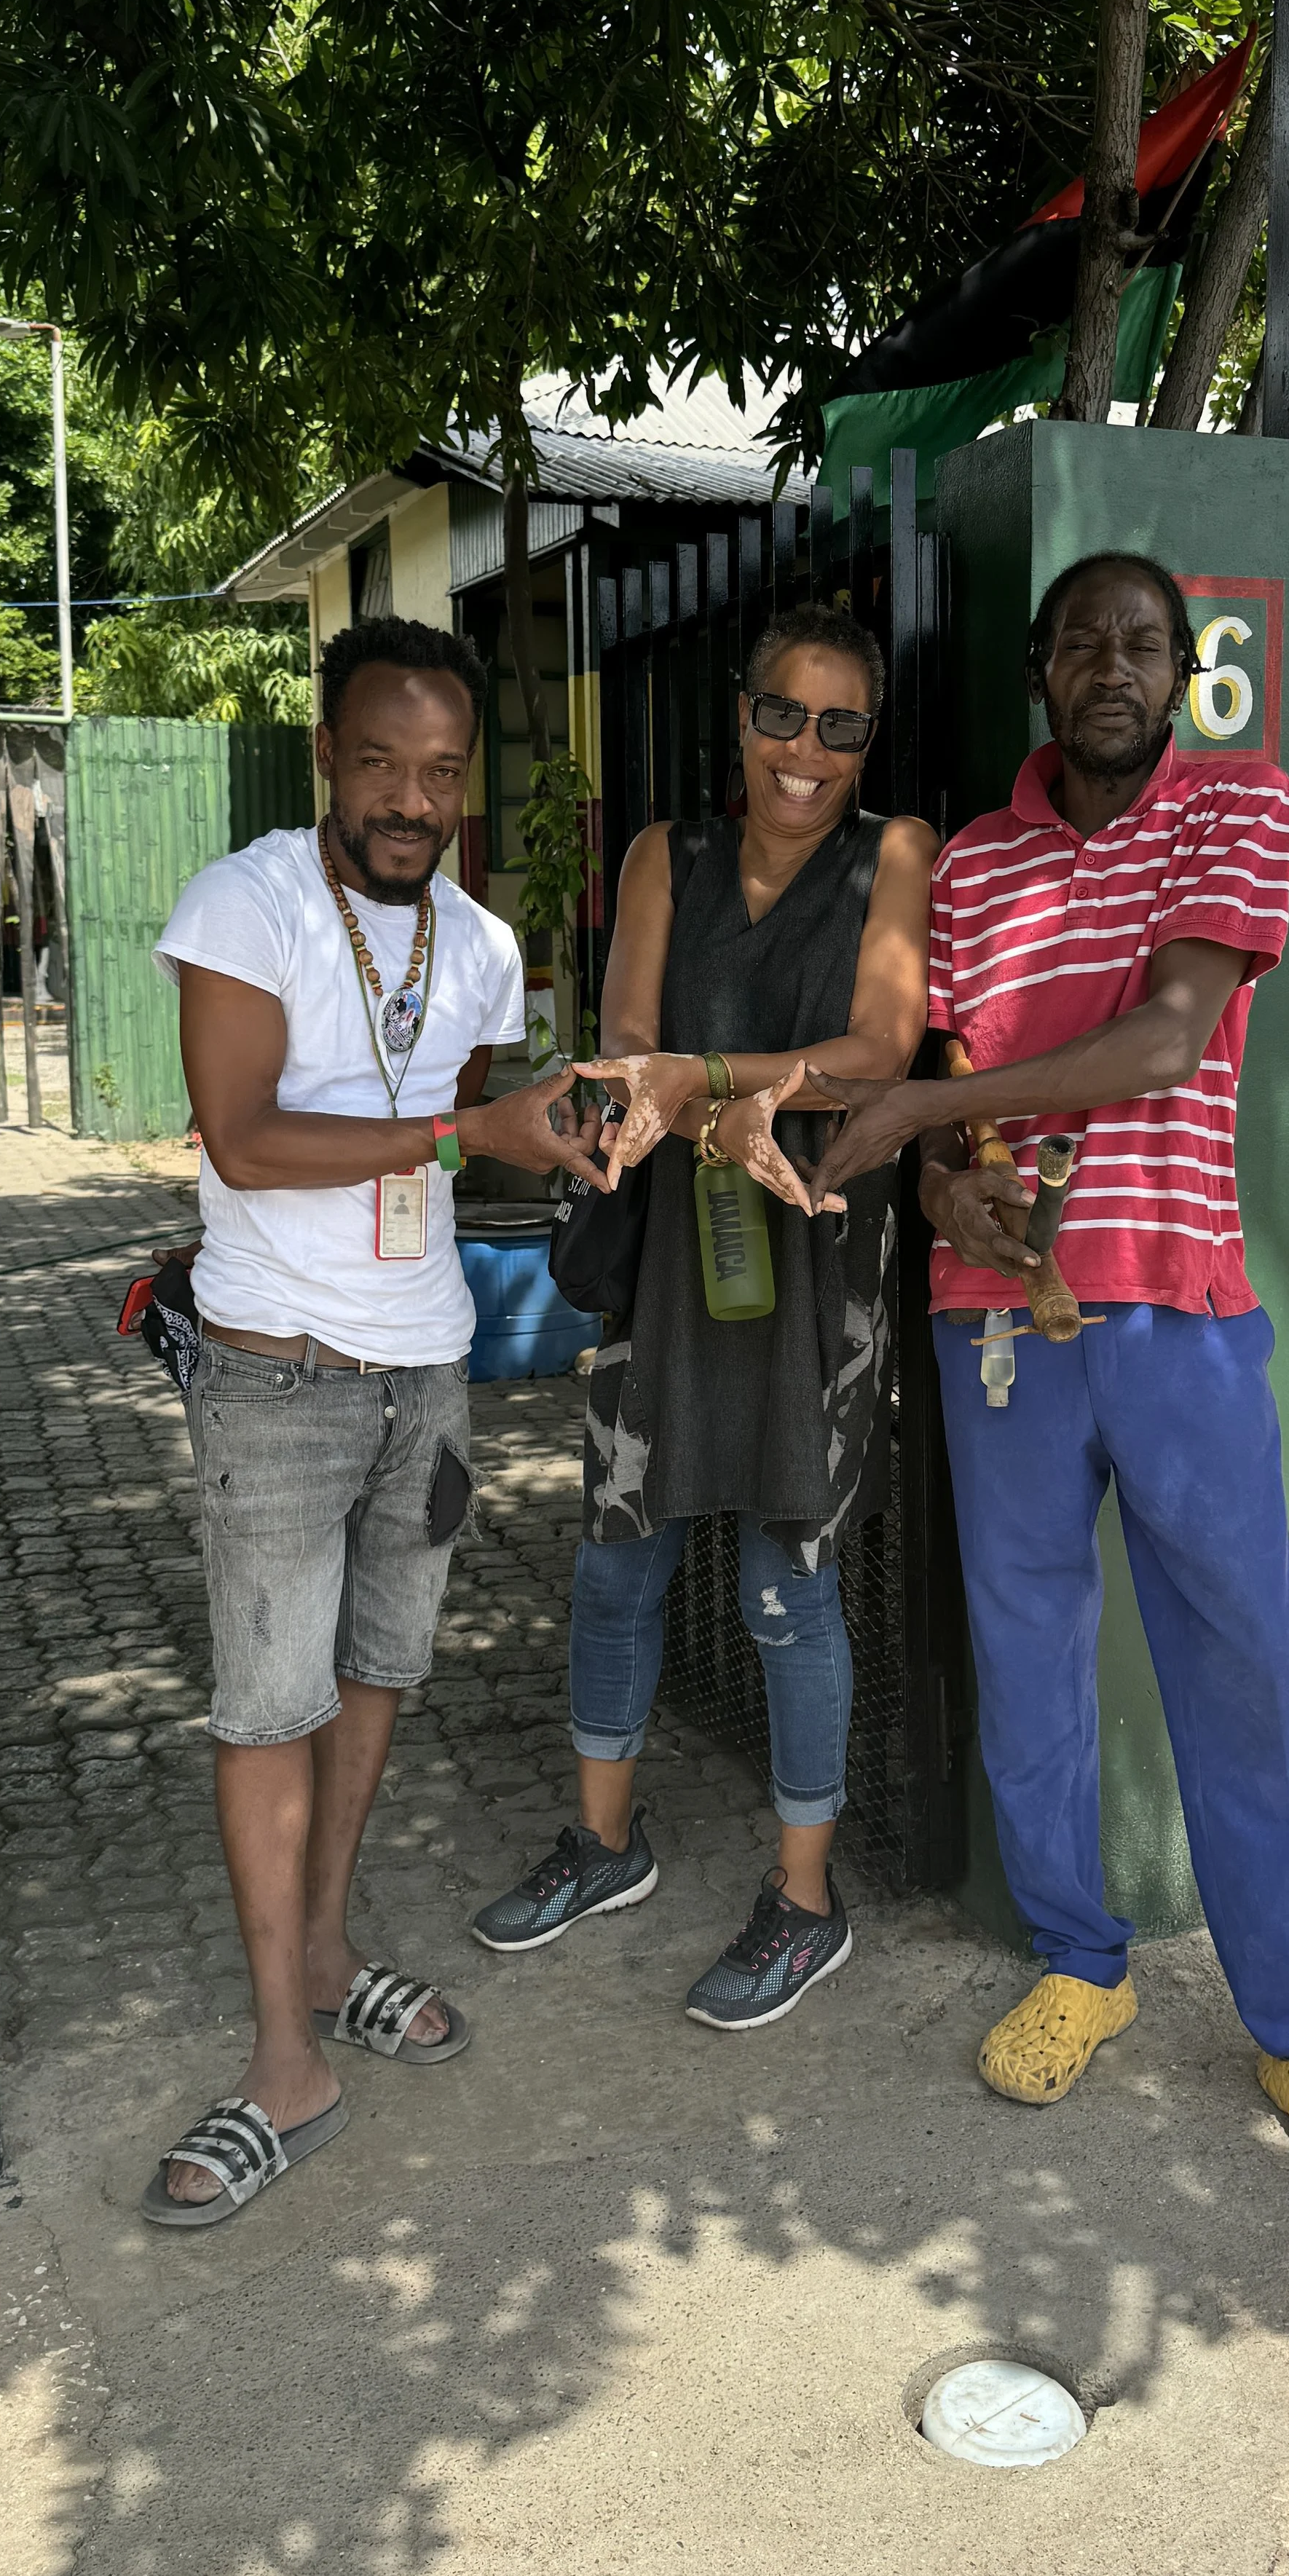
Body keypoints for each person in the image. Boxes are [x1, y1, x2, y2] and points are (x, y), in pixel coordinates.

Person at [808, 553, 1289, 2204]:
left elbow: (1163, 1040)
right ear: (1037, 665)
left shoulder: (1237, 808)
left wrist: (917, 1130)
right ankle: (1080, 1958)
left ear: (1179, 669)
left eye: (1141, 643)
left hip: (1175, 1310)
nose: (1110, 665)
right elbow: (945, 1076)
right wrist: (942, 1183)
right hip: (990, 1318)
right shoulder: (975, 864)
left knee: (1241, 1674)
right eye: (1081, 639)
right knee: (1028, 1663)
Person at [141, 614, 607, 2226]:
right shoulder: (246, 902)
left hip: (429, 1363)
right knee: (264, 1707)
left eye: (442, 770)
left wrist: (539, 1138)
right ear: (328, 758)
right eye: (381, 762)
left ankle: (331, 1950)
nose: (412, 797)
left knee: (371, 1677)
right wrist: (466, 1126)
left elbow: (439, 1140)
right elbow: (250, 1136)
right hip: (274, 1369)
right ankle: (283, 2058)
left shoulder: (475, 943)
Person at [470, 604, 938, 2026]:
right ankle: (602, 1842)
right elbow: (623, 1057)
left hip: (812, 1260)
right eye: (780, 715)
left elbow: (878, 1052)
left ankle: (804, 1898)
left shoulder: (893, 856)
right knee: (618, 1562)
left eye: (839, 723)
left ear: (867, 742)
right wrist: (681, 1091)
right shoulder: (660, 856)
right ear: (737, 717)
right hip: (672, 1257)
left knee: (783, 1589)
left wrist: (719, 1081)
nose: (804, 750)